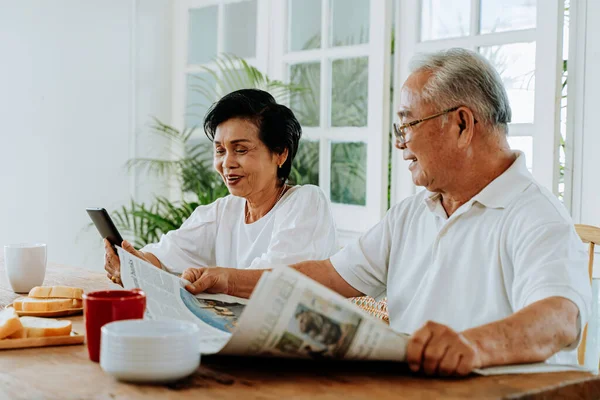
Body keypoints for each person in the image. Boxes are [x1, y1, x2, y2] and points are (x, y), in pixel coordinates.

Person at [180, 49, 591, 376]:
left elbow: (559, 319)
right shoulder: (412, 213)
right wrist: (226, 280)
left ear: (462, 125)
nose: (399, 144)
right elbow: (327, 276)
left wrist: (472, 346)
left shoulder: (534, 214)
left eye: (406, 125)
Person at [104, 89, 338, 284]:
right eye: (220, 150)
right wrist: (131, 264)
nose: (227, 163)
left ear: (280, 154)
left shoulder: (305, 202)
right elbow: (164, 256)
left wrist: (222, 280)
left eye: (241, 150)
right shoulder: (222, 212)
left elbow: (279, 282)